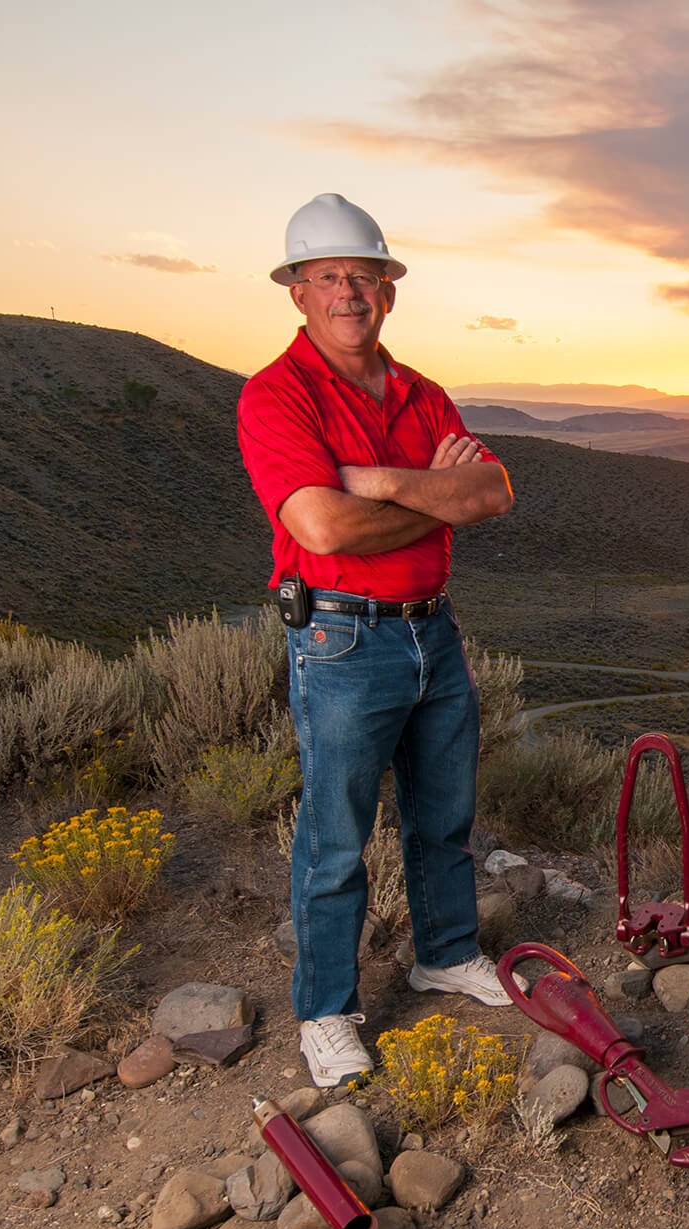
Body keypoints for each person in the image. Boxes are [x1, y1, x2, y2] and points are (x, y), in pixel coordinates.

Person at [237, 193, 517, 1087]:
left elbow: (492, 495)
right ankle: (326, 1010)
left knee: (445, 817)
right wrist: (427, 496)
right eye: (329, 278)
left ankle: (445, 951)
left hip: (435, 634)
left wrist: (379, 483)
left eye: (365, 276)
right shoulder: (275, 396)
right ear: (298, 294)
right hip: (341, 640)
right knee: (335, 838)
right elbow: (322, 529)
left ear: (389, 292)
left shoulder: (422, 393)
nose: (349, 292)